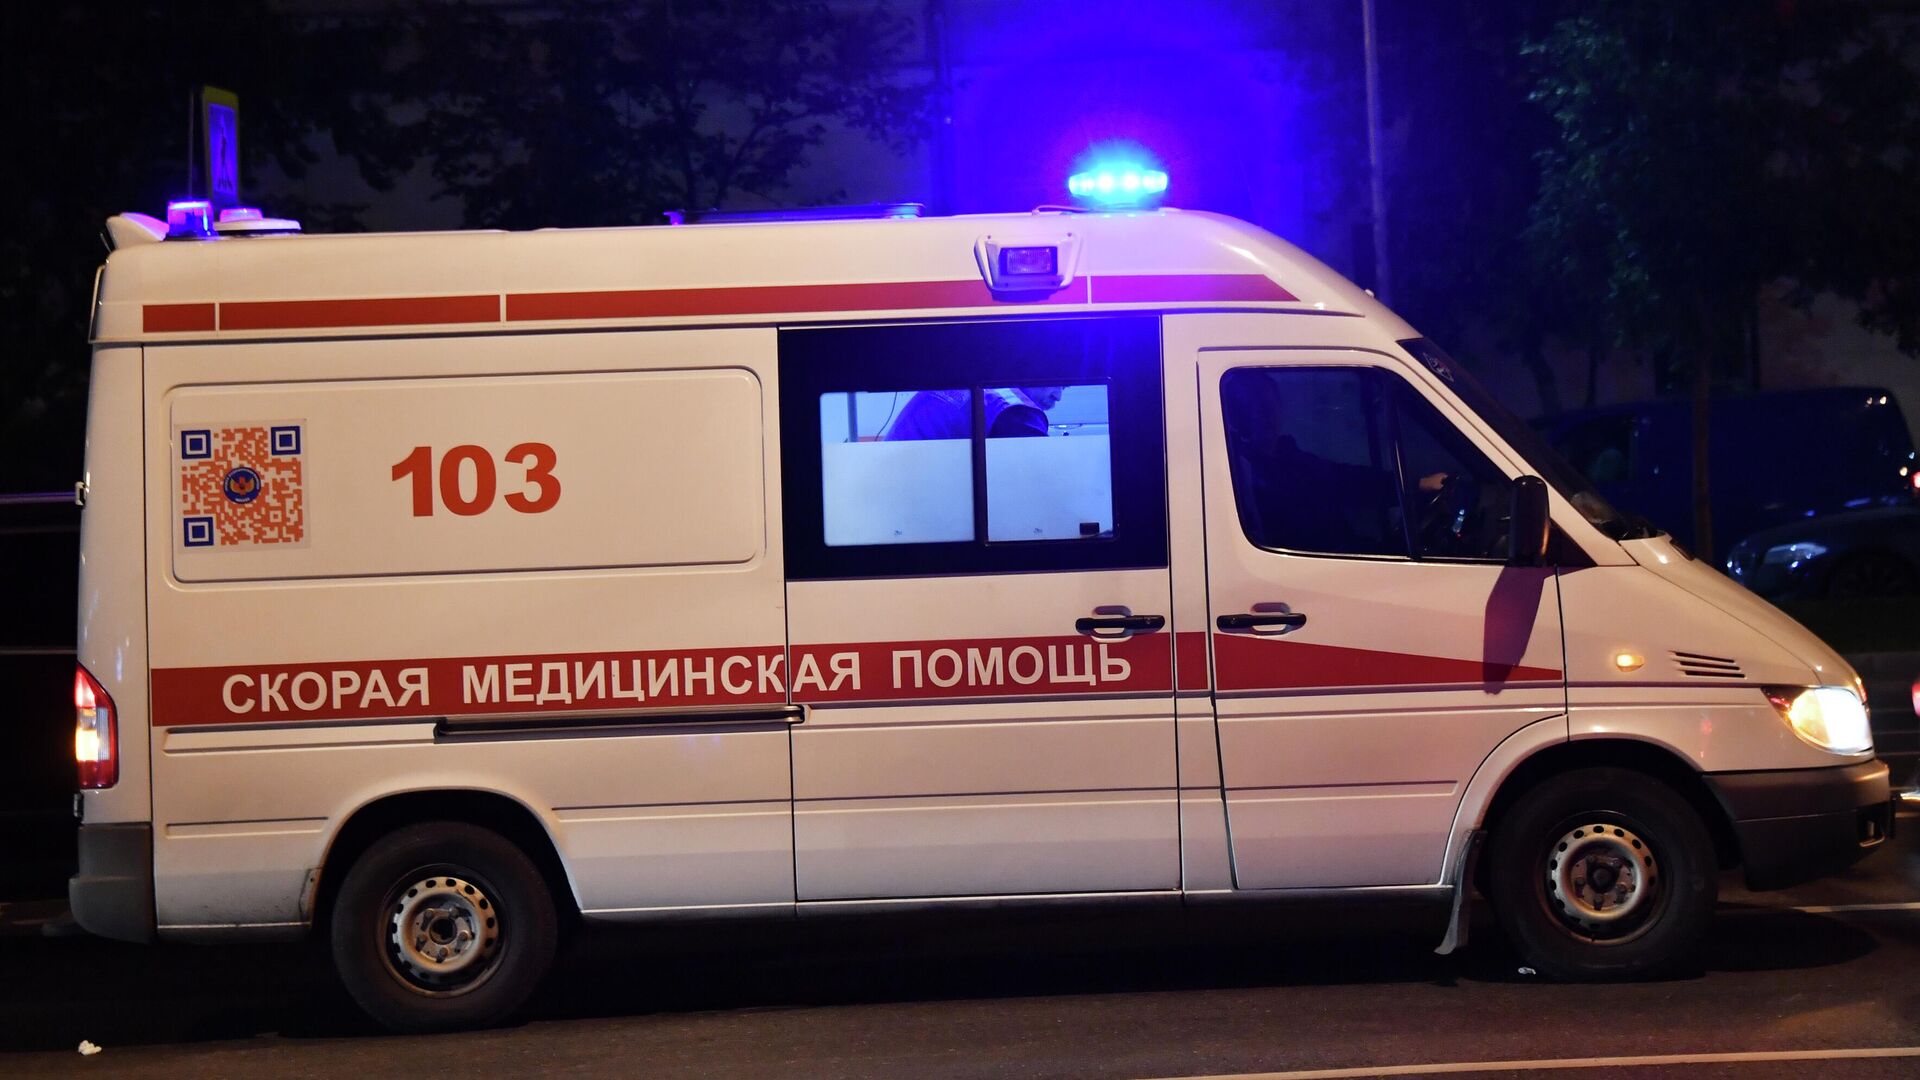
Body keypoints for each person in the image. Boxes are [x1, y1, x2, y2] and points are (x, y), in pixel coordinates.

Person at [884, 387, 1065, 440]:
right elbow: (1039, 482)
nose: (1058, 396)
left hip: (889, 497)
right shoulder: (1017, 413)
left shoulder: (968, 384)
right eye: (1058, 384)